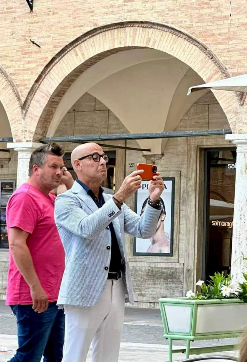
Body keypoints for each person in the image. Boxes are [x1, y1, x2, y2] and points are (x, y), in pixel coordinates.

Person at [54, 142, 165, 362]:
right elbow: (87, 228)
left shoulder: (109, 201)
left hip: (116, 285)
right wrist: (120, 196)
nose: (103, 161)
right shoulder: (66, 200)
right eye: (94, 158)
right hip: (84, 287)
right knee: (75, 355)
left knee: (108, 356)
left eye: (104, 156)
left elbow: (143, 230)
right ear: (78, 165)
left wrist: (153, 199)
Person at [6, 143, 74, 362]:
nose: (59, 172)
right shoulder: (25, 197)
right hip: (34, 296)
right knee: (28, 357)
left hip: (55, 294)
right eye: (53, 166)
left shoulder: (51, 199)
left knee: (54, 357)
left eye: (62, 168)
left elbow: (77, 211)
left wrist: (69, 182)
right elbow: (17, 244)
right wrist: (36, 287)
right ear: (36, 169)